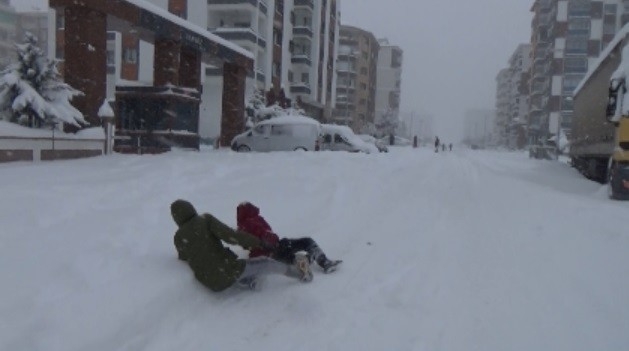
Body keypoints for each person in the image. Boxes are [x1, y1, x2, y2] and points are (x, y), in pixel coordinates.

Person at [170, 199, 313, 292]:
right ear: (191, 208)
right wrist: (259, 243)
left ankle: (248, 280)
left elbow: (184, 257)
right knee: (265, 263)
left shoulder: (178, 238)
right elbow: (233, 237)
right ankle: (299, 274)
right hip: (227, 271)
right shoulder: (204, 220)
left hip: (209, 283)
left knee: (236, 267)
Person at [237, 202, 341, 273]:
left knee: (287, 257)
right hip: (273, 250)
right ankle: (322, 262)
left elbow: (246, 244)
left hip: (262, 256)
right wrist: (276, 242)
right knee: (306, 242)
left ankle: (301, 262)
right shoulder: (253, 221)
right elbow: (266, 236)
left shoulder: (242, 226)